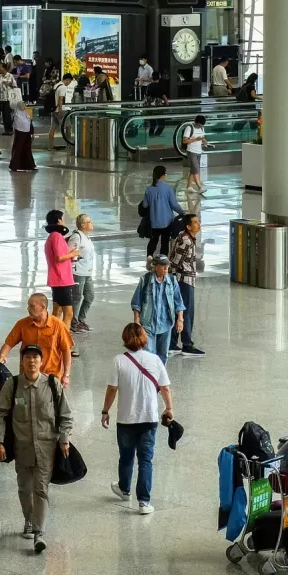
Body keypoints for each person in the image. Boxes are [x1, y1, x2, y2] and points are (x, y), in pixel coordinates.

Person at [0, 344, 74, 553]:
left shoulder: (52, 384)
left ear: (41, 361)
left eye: (35, 357)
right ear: (22, 361)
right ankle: (29, 519)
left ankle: (39, 532)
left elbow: (65, 415)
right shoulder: (13, 384)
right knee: (24, 488)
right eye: (27, 357)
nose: (32, 361)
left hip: (47, 448)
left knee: (41, 488)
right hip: (22, 447)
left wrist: (64, 439)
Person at [102, 323, 174, 516]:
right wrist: (169, 408)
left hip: (126, 418)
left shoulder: (118, 361)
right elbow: (165, 388)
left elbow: (112, 389)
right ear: (144, 338)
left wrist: (105, 411)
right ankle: (144, 502)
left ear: (124, 339)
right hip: (149, 418)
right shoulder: (155, 360)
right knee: (145, 460)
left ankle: (124, 489)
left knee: (126, 457)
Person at [0, 294, 74, 387]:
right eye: (28, 306)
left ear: (43, 307)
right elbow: (9, 344)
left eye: (32, 306)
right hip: (27, 377)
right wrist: (2, 356)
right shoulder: (22, 324)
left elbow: (66, 350)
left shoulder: (58, 325)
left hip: (51, 377)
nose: (28, 309)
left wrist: (66, 375)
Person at [130, 256, 185, 364]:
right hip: (147, 323)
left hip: (166, 323)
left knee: (163, 354)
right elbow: (136, 302)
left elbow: (179, 302)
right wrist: (136, 320)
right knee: (148, 354)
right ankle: (150, 374)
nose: (166, 268)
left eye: (167, 265)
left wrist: (180, 319)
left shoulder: (172, 280)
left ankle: (160, 374)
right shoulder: (145, 280)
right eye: (163, 265)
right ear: (155, 267)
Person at [167, 214, 203, 357]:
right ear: (188, 226)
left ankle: (172, 344)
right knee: (186, 313)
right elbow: (175, 262)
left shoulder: (185, 236)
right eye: (195, 222)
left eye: (198, 221)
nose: (198, 224)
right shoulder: (186, 241)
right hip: (184, 281)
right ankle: (187, 344)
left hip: (185, 280)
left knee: (180, 311)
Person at [43, 210, 80, 350]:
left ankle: (53, 339)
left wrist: (70, 255)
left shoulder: (52, 237)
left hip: (56, 279)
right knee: (68, 313)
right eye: (62, 219)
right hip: (62, 279)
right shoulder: (57, 236)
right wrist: (73, 253)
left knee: (57, 312)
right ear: (59, 220)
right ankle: (64, 344)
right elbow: (59, 257)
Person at [142, 165, 184, 259]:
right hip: (167, 221)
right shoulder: (168, 188)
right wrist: (182, 212)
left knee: (153, 240)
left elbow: (145, 205)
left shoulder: (149, 189)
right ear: (163, 175)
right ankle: (163, 259)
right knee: (165, 242)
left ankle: (149, 256)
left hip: (154, 221)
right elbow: (174, 205)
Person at [69, 213, 96, 335]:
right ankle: (73, 323)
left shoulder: (87, 237)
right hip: (77, 272)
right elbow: (69, 252)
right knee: (77, 297)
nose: (92, 223)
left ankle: (81, 319)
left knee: (90, 296)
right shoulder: (77, 236)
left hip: (87, 272)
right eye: (89, 222)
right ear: (83, 225)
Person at [181, 115, 209, 194]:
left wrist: (204, 141)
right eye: (200, 124)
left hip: (198, 151)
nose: (201, 126)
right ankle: (200, 187)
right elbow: (185, 141)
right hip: (191, 151)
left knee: (193, 169)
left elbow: (202, 137)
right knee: (196, 170)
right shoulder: (189, 128)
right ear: (197, 122)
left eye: (202, 125)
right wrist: (196, 139)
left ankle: (189, 187)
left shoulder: (202, 128)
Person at [7, 97, 35, 171]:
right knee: (18, 149)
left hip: (27, 134)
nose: (24, 106)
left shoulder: (26, 114)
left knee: (27, 149)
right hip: (20, 134)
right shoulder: (17, 116)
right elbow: (16, 126)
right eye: (23, 105)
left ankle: (30, 166)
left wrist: (32, 133)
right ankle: (15, 166)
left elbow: (30, 124)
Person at [49, 73, 74, 150]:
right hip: (61, 110)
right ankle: (69, 145)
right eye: (69, 81)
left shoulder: (56, 85)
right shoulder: (63, 87)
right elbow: (60, 99)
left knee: (53, 128)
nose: (69, 83)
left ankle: (50, 146)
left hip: (54, 109)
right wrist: (60, 110)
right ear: (67, 80)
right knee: (68, 127)